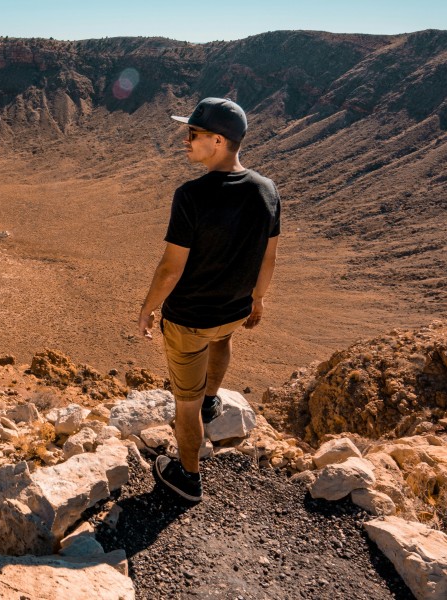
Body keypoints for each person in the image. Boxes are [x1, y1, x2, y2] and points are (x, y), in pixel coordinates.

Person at [137, 97, 280, 502]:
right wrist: (257, 300)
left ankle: (188, 477)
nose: (185, 141)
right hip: (234, 310)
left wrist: (148, 308)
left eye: (194, 134)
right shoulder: (266, 190)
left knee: (185, 404)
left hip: (189, 317)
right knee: (222, 339)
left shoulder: (191, 195)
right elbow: (270, 256)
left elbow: (171, 267)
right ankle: (212, 402)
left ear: (217, 140)